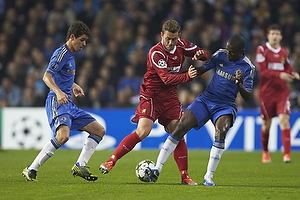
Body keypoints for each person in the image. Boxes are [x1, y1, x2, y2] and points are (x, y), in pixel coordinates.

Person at [99, 19, 209, 185]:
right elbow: (165, 78)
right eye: (168, 39)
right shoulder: (155, 53)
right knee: (143, 131)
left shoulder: (181, 45)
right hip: (151, 96)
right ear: (161, 35)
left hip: (170, 98)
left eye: (174, 39)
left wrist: (201, 54)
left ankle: (184, 176)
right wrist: (188, 76)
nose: (171, 43)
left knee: (178, 132)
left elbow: (204, 54)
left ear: (179, 36)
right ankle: (111, 160)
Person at [146, 34, 255, 186]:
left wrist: (239, 84)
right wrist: (185, 76)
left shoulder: (248, 67)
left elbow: (248, 96)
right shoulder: (220, 55)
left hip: (225, 105)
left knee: (221, 132)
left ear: (241, 51)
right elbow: (203, 68)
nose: (228, 53)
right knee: (180, 127)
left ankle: (208, 177)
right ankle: (157, 168)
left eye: (231, 52)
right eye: (228, 50)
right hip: (206, 99)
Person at [21, 21, 106, 181]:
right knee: (63, 136)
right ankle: (31, 169)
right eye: (82, 40)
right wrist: (59, 92)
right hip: (57, 101)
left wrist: (73, 85)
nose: (84, 44)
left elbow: (62, 75)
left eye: (86, 40)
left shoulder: (71, 56)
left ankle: (80, 165)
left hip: (68, 104)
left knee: (99, 130)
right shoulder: (61, 53)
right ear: (72, 37)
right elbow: (46, 76)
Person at [256, 24, 300, 163]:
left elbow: (287, 66)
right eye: (272, 33)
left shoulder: (284, 52)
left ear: (281, 36)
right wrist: (280, 74)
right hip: (266, 93)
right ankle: (265, 152)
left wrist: (292, 72)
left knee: (284, 120)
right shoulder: (262, 50)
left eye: (277, 34)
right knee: (266, 125)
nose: (275, 36)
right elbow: (263, 71)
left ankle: (287, 155)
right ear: (268, 35)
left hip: (282, 92)